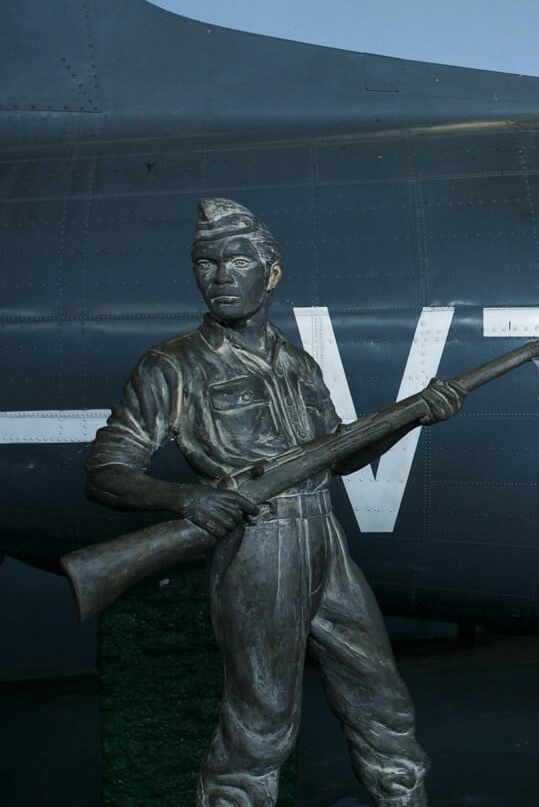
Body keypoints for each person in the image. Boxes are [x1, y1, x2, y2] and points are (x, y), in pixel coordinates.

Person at [85, 198, 460, 806]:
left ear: (272, 272)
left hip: (325, 545)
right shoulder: (173, 365)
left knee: (384, 704)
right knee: (258, 729)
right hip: (259, 546)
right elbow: (106, 470)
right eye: (205, 263)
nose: (220, 276)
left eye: (237, 260)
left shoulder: (297, 362)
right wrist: (186, 498)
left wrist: (413, 417)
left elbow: (337, 457)